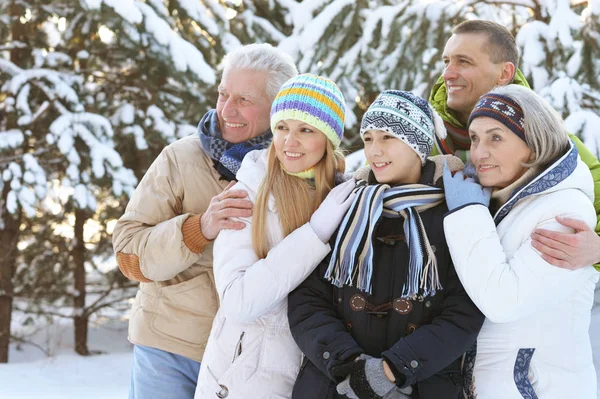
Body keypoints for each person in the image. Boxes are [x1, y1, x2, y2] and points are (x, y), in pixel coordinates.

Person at [111, 43, 298, 399]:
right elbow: (128, 257)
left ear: (279, 106)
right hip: (172, 348)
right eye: (223, 94)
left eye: (244, 100)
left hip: (252, 356)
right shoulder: (179, 159)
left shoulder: (296, 167)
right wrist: (199, 228)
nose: (227, 109)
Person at [288, 90, 485, 399]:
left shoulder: (454, 212)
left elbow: (465, 311)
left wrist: (393, 371)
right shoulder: (343, 206)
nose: (374, 151)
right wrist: (352, 368)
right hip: (335, 386)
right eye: (367, 139)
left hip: (421, 385)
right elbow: (307, 297)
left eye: (387, 137)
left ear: (418, 144)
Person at [194, 74, 357, 399]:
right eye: (282, 127)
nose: (289, 142)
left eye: (305, 130)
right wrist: (314, 235)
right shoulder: (247, 194)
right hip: (245, 382)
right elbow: (238, 302)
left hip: (315, 381)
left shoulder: (345, 199)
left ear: (327, 138)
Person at [442, 85, 598, 398]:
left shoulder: (564, 210)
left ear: (533, 144)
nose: (479, 152)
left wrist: (467, 212)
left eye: (496, 137)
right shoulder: (502, 203)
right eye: (474, 138)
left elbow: (504, 301)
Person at [428, 19, 600, 270]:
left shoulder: (545, 139)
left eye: (463, 62)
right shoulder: (421, 133)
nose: (448, 74)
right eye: (446, 61)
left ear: (504, 74)